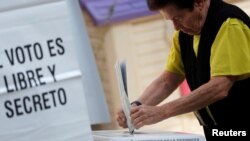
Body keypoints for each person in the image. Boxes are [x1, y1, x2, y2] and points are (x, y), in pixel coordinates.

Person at [116, 0, 250, 140]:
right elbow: (166, 81)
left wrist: (162, 112)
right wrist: (135, 108)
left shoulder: (229, 25)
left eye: (178, 18)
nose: (175, 27)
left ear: (199, 3)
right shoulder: (183, 35)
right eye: (171, 20)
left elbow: (219, 87)